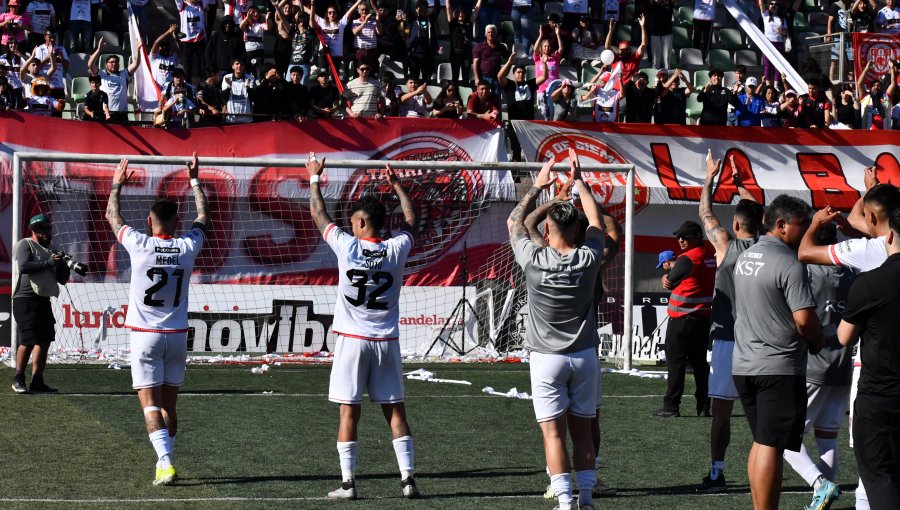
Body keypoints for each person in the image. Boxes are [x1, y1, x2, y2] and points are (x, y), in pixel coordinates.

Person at [305, 152, 421, 500]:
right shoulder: (395, 248)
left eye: (353, 220)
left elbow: (317, 213)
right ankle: (408, 481)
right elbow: (412, 223)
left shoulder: (347, 246)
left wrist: (314, 177)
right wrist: (399, 186)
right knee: (395, 411)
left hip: (353, 341)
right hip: (386, 340)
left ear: (359, 223)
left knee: (348, 411)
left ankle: (348, 485)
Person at [508, 149, 605, 510]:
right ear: (576, 229)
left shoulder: (533, 257)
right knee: (583, 432)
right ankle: (588, 498)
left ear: (548, 230)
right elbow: (595, 223)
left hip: (546, 358)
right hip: (583, 356)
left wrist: (538, 187)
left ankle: (565, 502)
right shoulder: (588, 256)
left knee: (553, 434)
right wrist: (579, 181)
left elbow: (516, 223)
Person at [798, 173, 900, 509]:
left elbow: (807, 251)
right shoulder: (872, 241)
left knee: (874, 469)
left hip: (876, 378)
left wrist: (816, 223)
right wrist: (870, 193)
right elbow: (862, 218)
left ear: (874, 218)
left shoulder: (868, 251)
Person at [106, 155, 208, 486]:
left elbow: (111, 215)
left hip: (145, 335)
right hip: (177, 335)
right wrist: (194, 180)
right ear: (177, 223)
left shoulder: (140, 244)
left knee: (149, 406)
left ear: (149, 221)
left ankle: (164, 462)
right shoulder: (186, 246)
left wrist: (117, 184)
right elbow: (204, 216)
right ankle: (166, 460)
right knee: (169, 406)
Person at [732, 194, 825, 510]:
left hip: (745, 365)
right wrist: (817, 339)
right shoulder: (789, 262)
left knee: (761, 442)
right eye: (803, 225)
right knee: (771, 446)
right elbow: (804, 319)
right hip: (778, 367)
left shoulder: (745, 256)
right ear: (782, 225)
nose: (806, 231)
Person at [695, 151, 764, 492]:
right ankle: (766, 473)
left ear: (735, 224)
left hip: (728, 342)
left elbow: (704, 212)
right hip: (761, 341)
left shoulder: (725, 244)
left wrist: (711, 177)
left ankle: (716, 471)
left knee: (722, 413)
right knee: (760, 415)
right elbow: (758, 214)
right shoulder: (770, 246)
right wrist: (740, 186)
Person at [783, 222, 851, 510]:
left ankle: (819, 484)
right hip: (843, 364)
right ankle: (822, 501)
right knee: (827, 437)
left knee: (784, 438)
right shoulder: (851, 272)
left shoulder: (806, 271)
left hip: (814, 363)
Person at [837, 205, 900, 509]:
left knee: (880, 478)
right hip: (882, 395)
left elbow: (844, 336)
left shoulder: (870, 282)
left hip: (880, 396)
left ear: (890, 236)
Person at [652, 219, 715, 418]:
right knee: (699, 363)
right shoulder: (709, 254)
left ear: (697, 237)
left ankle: (671, 406)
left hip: (682, 317)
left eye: (684, 237)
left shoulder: (689, 258)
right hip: (703, 316)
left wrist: (666, 277)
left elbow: (670, 281)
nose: (680, 240)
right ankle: (704, 406)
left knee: (676, 362)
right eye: (678, 237)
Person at [11, 214, 71, 394]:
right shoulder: (25, 244)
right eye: (40, 229)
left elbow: (62, 280)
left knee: (44, 340)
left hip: (43, 299)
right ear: (33, 231)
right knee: (28, 340)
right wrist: (50, 262)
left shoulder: (53, 250)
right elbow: (24, 267)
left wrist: (64, 266)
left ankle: (37, 381)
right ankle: (18, 377)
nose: (45, 232)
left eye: (47, 228)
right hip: (25, 298)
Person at [88, 39, 142, 124]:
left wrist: (138, 50)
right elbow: (90, 65)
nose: (114, 63)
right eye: (111, 62)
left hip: (121, 114)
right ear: (106, 65)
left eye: (116, 62)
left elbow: (136, 64)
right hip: (106, 113)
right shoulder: (102, 74)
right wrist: (99, 50)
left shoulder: (124, 74)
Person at [604, 16, 646, 88]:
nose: (624, 51)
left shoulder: (635, 58)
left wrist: (643, 28)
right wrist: (610, 31)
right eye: (622, 50)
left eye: (626, 49)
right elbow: (607, 47)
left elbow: (643, 44)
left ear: (630, 49)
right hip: (616, 91)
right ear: (619, 50)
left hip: (631, 90)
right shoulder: (615, 59)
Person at [446, 0, 480, 85]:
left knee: (466, 77)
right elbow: (448, 8)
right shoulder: (452, 23)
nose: (461, 14)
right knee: (455, 77)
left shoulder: (469, 23)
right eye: (459, 12)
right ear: (455, 14)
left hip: (467, 54)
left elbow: (476, 11)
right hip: (455, 53)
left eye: (462, 12)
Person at [498, 53, 538, 120]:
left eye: (523, 72)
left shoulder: (530, 83)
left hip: (529, 122)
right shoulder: (510, 84)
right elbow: (500, 76)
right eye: (518, 72)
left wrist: (544, 62)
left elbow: (544, 77)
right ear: (514, 74)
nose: (521, 74)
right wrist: (509, 62)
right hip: (514, 123)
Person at [472, 24, 508, 98]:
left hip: (496, 77)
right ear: (485, 34)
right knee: (483, 98)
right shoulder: (479, 47)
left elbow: (508, 58)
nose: (491, 34)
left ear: (496, 34)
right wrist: (476, 78)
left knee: (496, 98)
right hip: (483, 77)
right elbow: (475, 63)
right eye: (489, 32)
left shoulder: (501, 47)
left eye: (493, 32)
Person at [857, 61, 895, 130]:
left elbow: (893, 84)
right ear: (870, 88)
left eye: (879, 86)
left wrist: (892, 68)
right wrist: (866, 69)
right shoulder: (865, 97)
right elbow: (859, 83)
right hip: (868, 134)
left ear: (882, 88)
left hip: (885, 134)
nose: (876, 87)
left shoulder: (886, 97)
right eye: (874, 86)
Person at [406, 0, 438, 82]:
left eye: (424, 8)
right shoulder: (412, 19)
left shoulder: (430, 19)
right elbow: (407, 9)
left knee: (426, 80)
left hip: (428, 54)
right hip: (414, 54)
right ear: (416, 9)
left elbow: (437, 9)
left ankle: (426, 94)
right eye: (420, 8)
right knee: (414, 79)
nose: (422, 10)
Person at [761, 1, 787, 88]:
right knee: (767, 64)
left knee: (778, 64)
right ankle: (768, 84)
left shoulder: (782, 18)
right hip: (768, 42)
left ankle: (776, 84)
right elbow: (761, 4)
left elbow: (786, 32)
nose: (773, 5)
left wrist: (781, 31)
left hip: (779, 42)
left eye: (776, 4)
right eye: (771, 4)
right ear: (769, 5)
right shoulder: (766, 14)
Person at [221, 58, 255, 124]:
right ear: (233, 66)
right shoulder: (227, 77)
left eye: (242, 64)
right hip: (231, 119)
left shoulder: (250, 78)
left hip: (246, 119)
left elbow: (253, 97)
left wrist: (248, 88)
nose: (239, 66)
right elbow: (224, 97)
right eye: (237, 64)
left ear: (244, 66)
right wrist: (229, 86)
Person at [149, 24, 181, 90]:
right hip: (156, 90)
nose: (164, 47)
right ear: (159, 48)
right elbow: (156, 42)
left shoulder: (174, 58)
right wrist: (169, 32)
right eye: (162, 46)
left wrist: (174, 36)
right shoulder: (155, 57)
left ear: (169, 48)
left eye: (166, 46)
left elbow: (180, 49)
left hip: (170, 90)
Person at [646, 0, 674, 70]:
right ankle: (654, 73)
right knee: (655, 59)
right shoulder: (653, 4)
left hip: (667, 32)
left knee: (667, 58)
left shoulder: (670, 4)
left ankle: (667, 72)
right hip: (655, 33)